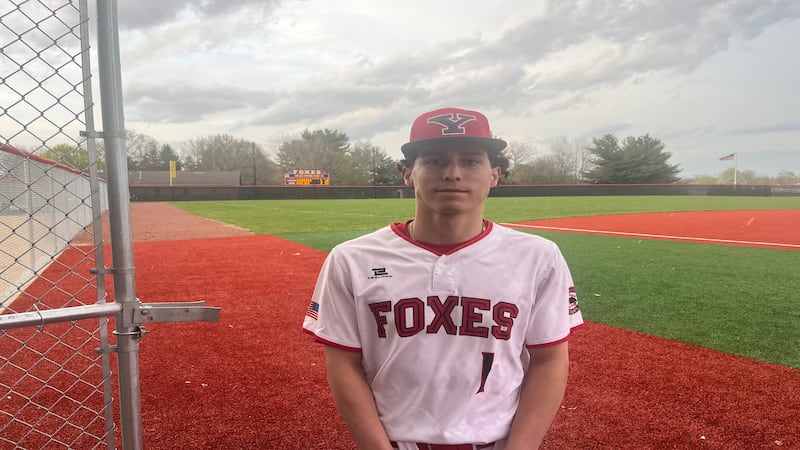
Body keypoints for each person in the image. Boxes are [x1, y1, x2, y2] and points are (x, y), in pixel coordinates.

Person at [303, 107, 583, 450]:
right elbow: (343, 364)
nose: (453, 173)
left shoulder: (538, 257)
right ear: (408, 173)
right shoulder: (352, 259)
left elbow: (550, 359)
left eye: (470, 161)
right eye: (434, 161)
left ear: (495, 174)